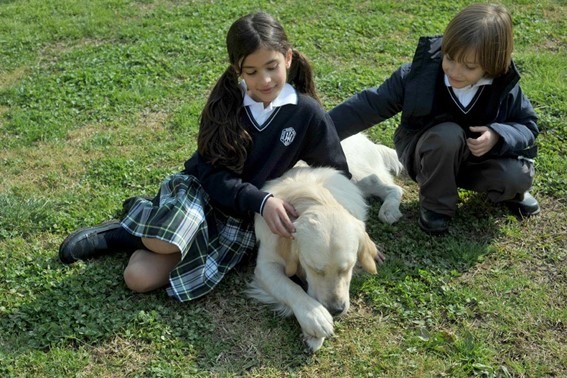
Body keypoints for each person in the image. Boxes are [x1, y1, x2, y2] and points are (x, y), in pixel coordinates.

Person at [58, 12, 350, 301]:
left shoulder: (307, 113)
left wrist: (351, 234)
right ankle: (123, 233)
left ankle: (151, 232)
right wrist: (262, 200)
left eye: (272, 67)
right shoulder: (226, 104)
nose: (264, 80)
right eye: (251, 71)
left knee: (139, 278)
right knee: (166, 238)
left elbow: (338, 176)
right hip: (202, 195)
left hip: (241, 222)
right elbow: (211, 175)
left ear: (287, 57)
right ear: (238, 70)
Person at [329, 3, 539, 235]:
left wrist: (498, 134)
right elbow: (367, 106)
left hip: (476, 163)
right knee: (446, 135)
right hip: (428, 156)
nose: (455, 71)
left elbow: (527, 124)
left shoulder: (504, 87)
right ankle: (436, 207)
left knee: (516, 176)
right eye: (449, 58)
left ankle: (509, 193)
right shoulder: (418, 77)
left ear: (493, 65)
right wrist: (317, 131)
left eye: (469, 66)